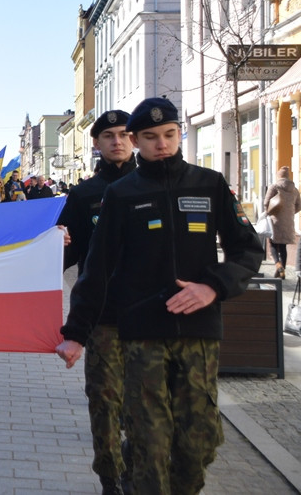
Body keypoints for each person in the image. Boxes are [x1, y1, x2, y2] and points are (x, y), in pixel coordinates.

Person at [56, 97, 263, 495]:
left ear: (180, 134)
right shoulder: (121, 194)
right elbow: (95, 268)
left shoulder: (209, 184)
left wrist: (214, 286)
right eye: (151, 137)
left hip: (199, 330)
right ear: (138, 140)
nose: (162, 144)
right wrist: (76, 333)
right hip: (141, 332)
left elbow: (247, 250)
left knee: (198, 442)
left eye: (169, 135)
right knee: (148, 442)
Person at [54, 110, 135, 495]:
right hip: (103, 315)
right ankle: (110, 480)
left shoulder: (156, 186)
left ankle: (137, 470)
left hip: (155, 317)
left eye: (123, 134)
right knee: (105, 404)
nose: (117, 141)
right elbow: (66, 256)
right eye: (108, 136)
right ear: (97, 143)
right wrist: (55, 246)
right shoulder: (84, 194)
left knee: (148, 409)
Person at [264, 166, 300, 279]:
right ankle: (282, 271)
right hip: (288, 221)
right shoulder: (294, 190)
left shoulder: (275, 187)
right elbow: (299, 206)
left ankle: (278, 265)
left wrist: (269, 212)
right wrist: (289, 213)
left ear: (279, 176)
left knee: (273, 244)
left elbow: (266, 202)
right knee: (283, 246)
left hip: (275, 220)